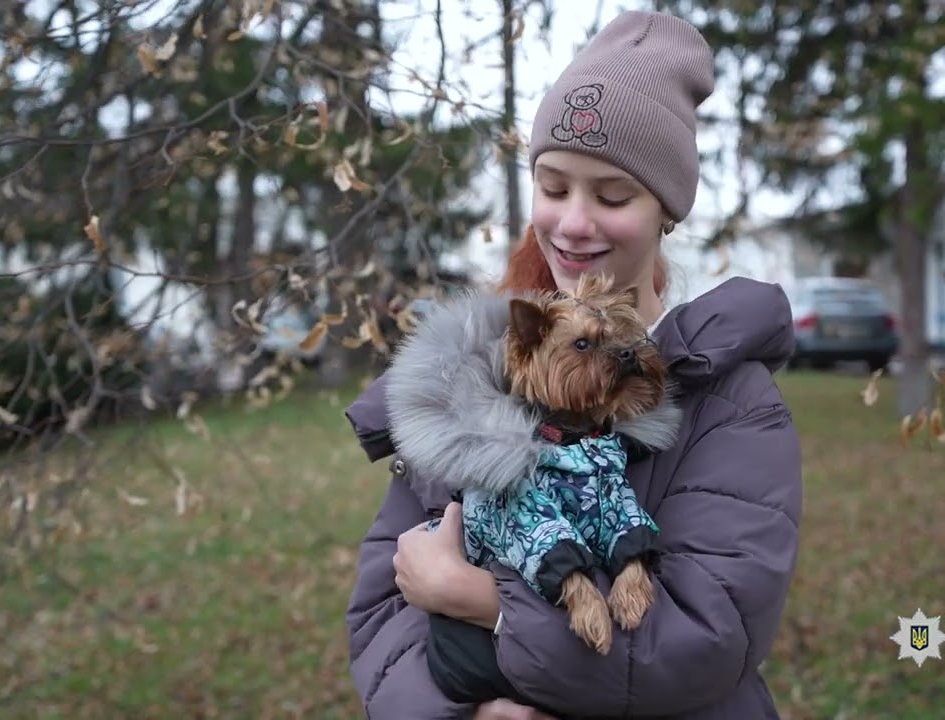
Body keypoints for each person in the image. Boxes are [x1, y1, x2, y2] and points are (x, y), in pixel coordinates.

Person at [344, 10, 803, 719]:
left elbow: (705, 643)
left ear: (666, 213)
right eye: (554, 188)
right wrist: (466, 713)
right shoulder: (465, 384)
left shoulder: (732, 405)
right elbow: (381, 616)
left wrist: (488, 606)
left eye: (613, 195)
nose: (574, 223)